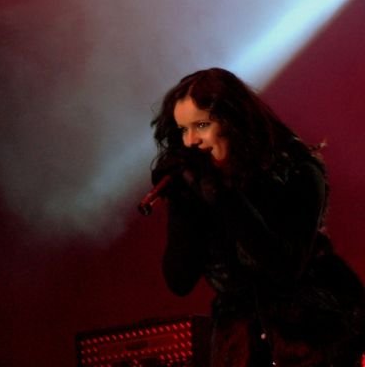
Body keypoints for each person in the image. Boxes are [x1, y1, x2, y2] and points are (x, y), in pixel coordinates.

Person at [149, 67, 365, 366]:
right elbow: (179, 281)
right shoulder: (201, 190)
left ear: (233, 121)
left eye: (201, 125)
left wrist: (222, 195)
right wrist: (183, 204)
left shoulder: (297, 171)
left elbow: (283, 266)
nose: (190, 141)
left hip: (311, 338)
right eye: (183, 130)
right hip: (240, 345)